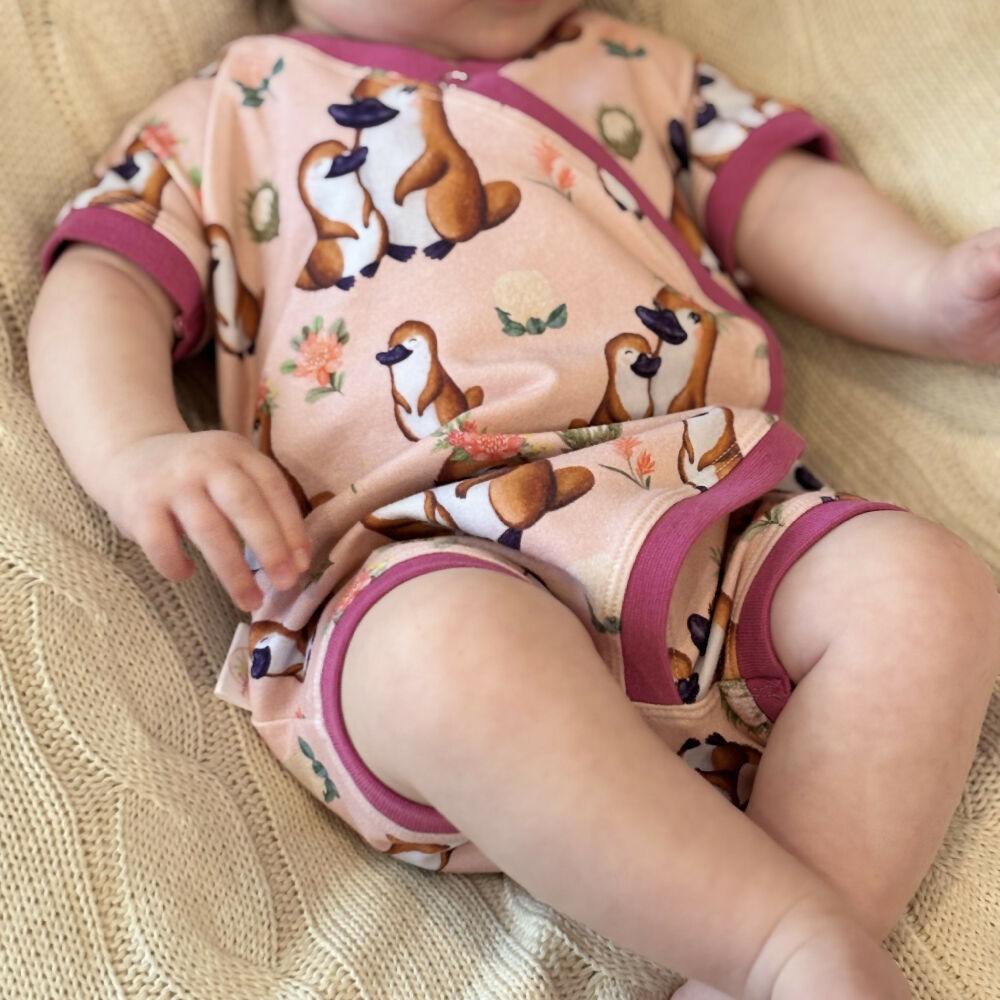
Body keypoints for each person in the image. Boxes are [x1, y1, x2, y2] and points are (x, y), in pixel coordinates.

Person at [27, 0, 1000, 997]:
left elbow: (777, 201)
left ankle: (796, 941)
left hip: (701, 520)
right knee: (447, 659)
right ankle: (777, 944)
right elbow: (105, 279)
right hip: (418, 548)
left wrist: (922, 293)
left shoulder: (631, 64)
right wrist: (138, 447)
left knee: (922, 586)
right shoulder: (234, 108)